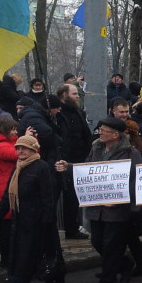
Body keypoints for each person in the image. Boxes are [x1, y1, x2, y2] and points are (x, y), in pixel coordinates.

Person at [61, 118, 142, 283]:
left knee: (111, 244)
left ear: (116, 134)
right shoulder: (96, 147)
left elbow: (137, 179)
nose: (100, 133)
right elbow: (88, 170)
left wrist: (120, 198)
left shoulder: (130, 152)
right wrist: (68, 167)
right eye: (100, 130)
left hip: (117, 209)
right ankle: (124, 264)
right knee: (97, 241)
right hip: (97, 207)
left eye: (104, 130)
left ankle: (108, 282)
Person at [0, 134, 58, 283]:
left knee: (28, 252)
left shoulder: (41, 166)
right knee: (22, 251)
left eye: (24, 148)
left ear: (33, 149)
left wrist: (46, 220)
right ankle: (29, 280)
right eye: (18, 148)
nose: (20, 151)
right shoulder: (18, 167)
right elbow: (8, 197)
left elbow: (47, 196)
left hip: (36, 218)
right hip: (20, 218)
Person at [53, 83, 92, 240]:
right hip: (65, 160)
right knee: (68, 197)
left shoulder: (78, 112)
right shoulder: (58, 114)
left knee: (74, 197)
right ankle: (70, 228)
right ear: (64, 95)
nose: (77, 96)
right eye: (74, 93)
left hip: (80, 159)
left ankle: (73, 228)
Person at [0, 117, 19, 271]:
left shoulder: (8, 142)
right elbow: (18, 154)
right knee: (7, 226)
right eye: (13, 129)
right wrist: (31, 139)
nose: (15, 132)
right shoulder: (0, 145)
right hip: (6, 186)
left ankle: (9, 259)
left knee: (10, 224)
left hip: (10, 184)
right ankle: (6, 260)